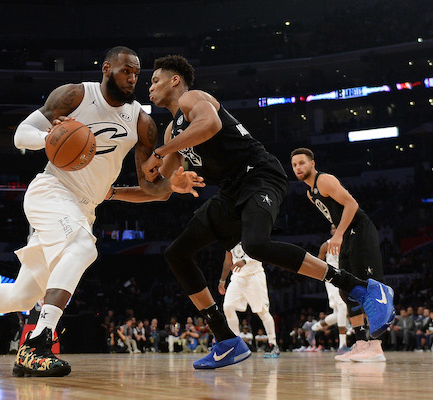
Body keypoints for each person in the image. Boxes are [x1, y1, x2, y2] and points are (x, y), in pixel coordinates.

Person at [0, 46, 203, 377]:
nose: (132, 78)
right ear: (106, 69)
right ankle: (37, 343)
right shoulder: (75, 96)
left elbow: (150, 189)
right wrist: (50, 137)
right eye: (125, 70)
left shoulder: (141, 123)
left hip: (83, 209)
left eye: (136, 73)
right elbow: (20, 135)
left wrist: (172, 184)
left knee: (21, 295)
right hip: (51, 191)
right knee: (83, 246)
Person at [121, 54, 394, 369]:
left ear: (175, 80)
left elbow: (209, 125)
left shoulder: (194, 99)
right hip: (231, 192)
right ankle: (226, 340)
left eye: (155, 80)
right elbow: (159, 187)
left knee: (255, 244)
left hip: (260, 175)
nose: (150, 88)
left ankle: (363, 288)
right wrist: (146, 185)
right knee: (177, 253)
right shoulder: (171, 132)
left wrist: (160, 152)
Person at [290, 148, 388, 362]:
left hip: (359, 231)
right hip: (347, 237)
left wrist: (339, 234)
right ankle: (361, 343)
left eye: (302, 163)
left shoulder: (324, 180)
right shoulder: (310, 193)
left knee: (371, 287)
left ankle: (376, 346)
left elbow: (352, 204)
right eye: (295, 165)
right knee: (346, 289)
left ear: (312, 164)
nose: (298, 167)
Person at [218, 243, 280, 357]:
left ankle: (273, 344)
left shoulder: (251, 231)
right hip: (237, 278)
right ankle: (237, 345)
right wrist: (222, 280)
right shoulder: (229, 237)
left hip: (254, 276)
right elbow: (228, 261)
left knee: (262, 312)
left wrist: (246, 261)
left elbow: (262, 252)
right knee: (227, 307)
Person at [312, 224, 350, 355]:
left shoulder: (348, 243)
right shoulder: (326, 245)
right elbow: (318, 262)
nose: (335, 230)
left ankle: (316, 326)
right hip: (332, 278)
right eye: (333, 227)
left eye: (337, 227)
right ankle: (343, 345)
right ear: (331, 231)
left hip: (346, 278)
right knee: (342, 306)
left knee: (339, 313)